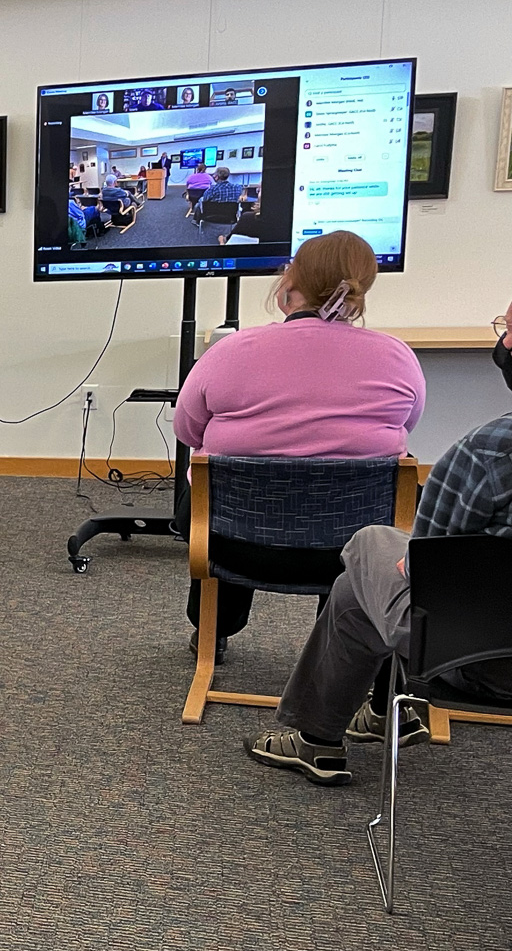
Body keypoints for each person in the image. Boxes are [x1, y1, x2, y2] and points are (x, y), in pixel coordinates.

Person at [174, 230, 424, 657]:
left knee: (213, 490)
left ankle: (214, 629)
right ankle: (339, 643)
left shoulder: (231, 350)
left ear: (291, 281)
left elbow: (186, 431)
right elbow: (407, 425)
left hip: (235, 544)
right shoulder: (397, 357)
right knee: (370, 506)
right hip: (350, 551)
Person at [246, 405, 512, 785]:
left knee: (369, 547)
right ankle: (384, 714)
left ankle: (319, 738)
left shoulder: (491, 450)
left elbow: (422, 569)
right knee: (360, 587)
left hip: (478, 661)